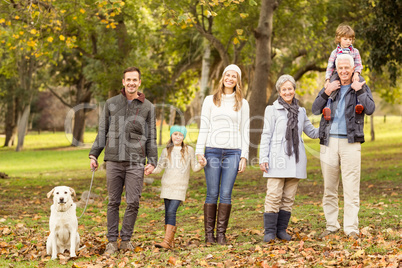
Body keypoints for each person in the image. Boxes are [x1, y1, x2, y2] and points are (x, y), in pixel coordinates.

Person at [89, 66, 158, 255]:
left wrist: (152, 160)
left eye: (135, 80)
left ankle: (126, 240)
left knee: (133, 202)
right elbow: (102, 131)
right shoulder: (111, 103)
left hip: (136, 161)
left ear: (139, 82)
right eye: (128, 79)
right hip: (112, 160)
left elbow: (152, 136)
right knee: (113, 202)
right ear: (123, 82)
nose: (131, 83)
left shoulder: (148, 107)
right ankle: (112, 242)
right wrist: (94, 154)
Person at [312, 54, 375, 239]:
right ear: (336, 70)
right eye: (340, 68)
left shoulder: (360, 85)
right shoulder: (331, 86)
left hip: (351, 143)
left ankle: (351, 228)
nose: (344, 71)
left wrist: (360, 91)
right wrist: (326, 91)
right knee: (329, 188)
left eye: (347, 68)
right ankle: (331, 226)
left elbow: (370, 109)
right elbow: (315, 109)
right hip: (329, 143)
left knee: (351, 187)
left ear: (353, 68)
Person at [259, 75, 319, 242]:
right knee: (273, 195)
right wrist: (263, 157)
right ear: (279, 91)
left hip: (296, 160)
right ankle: (269, 232)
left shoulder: (301, 112)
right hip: (277, 158)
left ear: (294, 90)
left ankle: (281, 231)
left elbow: (312, 132)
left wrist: (328, 124)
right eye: (284, 89)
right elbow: (266, 135)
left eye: (290, 88)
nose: (287, 92)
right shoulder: (271, 110)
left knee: (288, 198)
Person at [196, 64, 250, 245]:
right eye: (228, 75)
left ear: (238, 80)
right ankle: (208, 236)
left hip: (233, 153)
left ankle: (221, 235)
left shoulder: (243, 103)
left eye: (234, 76)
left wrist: (244, 156)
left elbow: (245, 130)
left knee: (226, 193)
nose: (230, 78)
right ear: (223, 77)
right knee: (212, 193)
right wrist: (199, 151)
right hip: (212, 151)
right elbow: (204, 127)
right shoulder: (210, 100)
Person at [152, 125, 205, 249]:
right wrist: (149, 170)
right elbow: (159, 167)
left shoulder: (189, 150)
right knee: (167, 213)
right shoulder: (166, 151)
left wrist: (202, 164)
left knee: (172, 211)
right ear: (171, 135)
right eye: (175, 134)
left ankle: (166, 241)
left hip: (180, 187)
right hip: (167, 185)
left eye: (180, 135)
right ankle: (170, 241)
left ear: (183, 137)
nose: (178, 137)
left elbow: (195, 168)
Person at [324, 24, 363, 89]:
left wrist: (356, 74)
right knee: (330, 86)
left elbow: (358, 64)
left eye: (350, 39)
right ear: (339, 39)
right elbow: (330, 67)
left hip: (352, 74)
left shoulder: (355, 52)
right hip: (338, 74)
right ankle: (330, 98)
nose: (348, 41)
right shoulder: (335, 53)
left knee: (361, 81)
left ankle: (360, 97)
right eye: (345, 39)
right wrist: (327, 80)